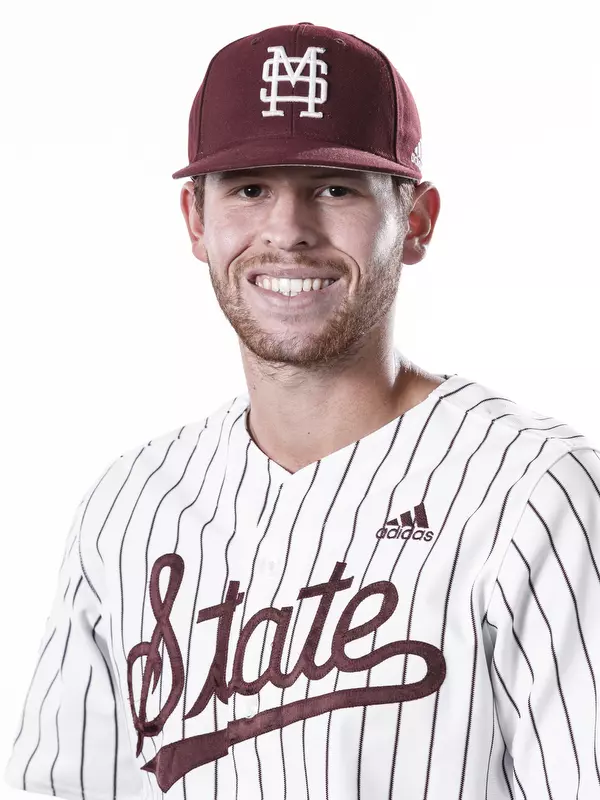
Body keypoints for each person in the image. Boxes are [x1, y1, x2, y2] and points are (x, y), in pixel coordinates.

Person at [4, 21, 600, 800]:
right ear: (196, 220)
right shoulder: (128, 506)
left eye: (334, 188)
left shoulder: (532, 493)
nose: (288, 231)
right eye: (251, 188)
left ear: (415, 221)